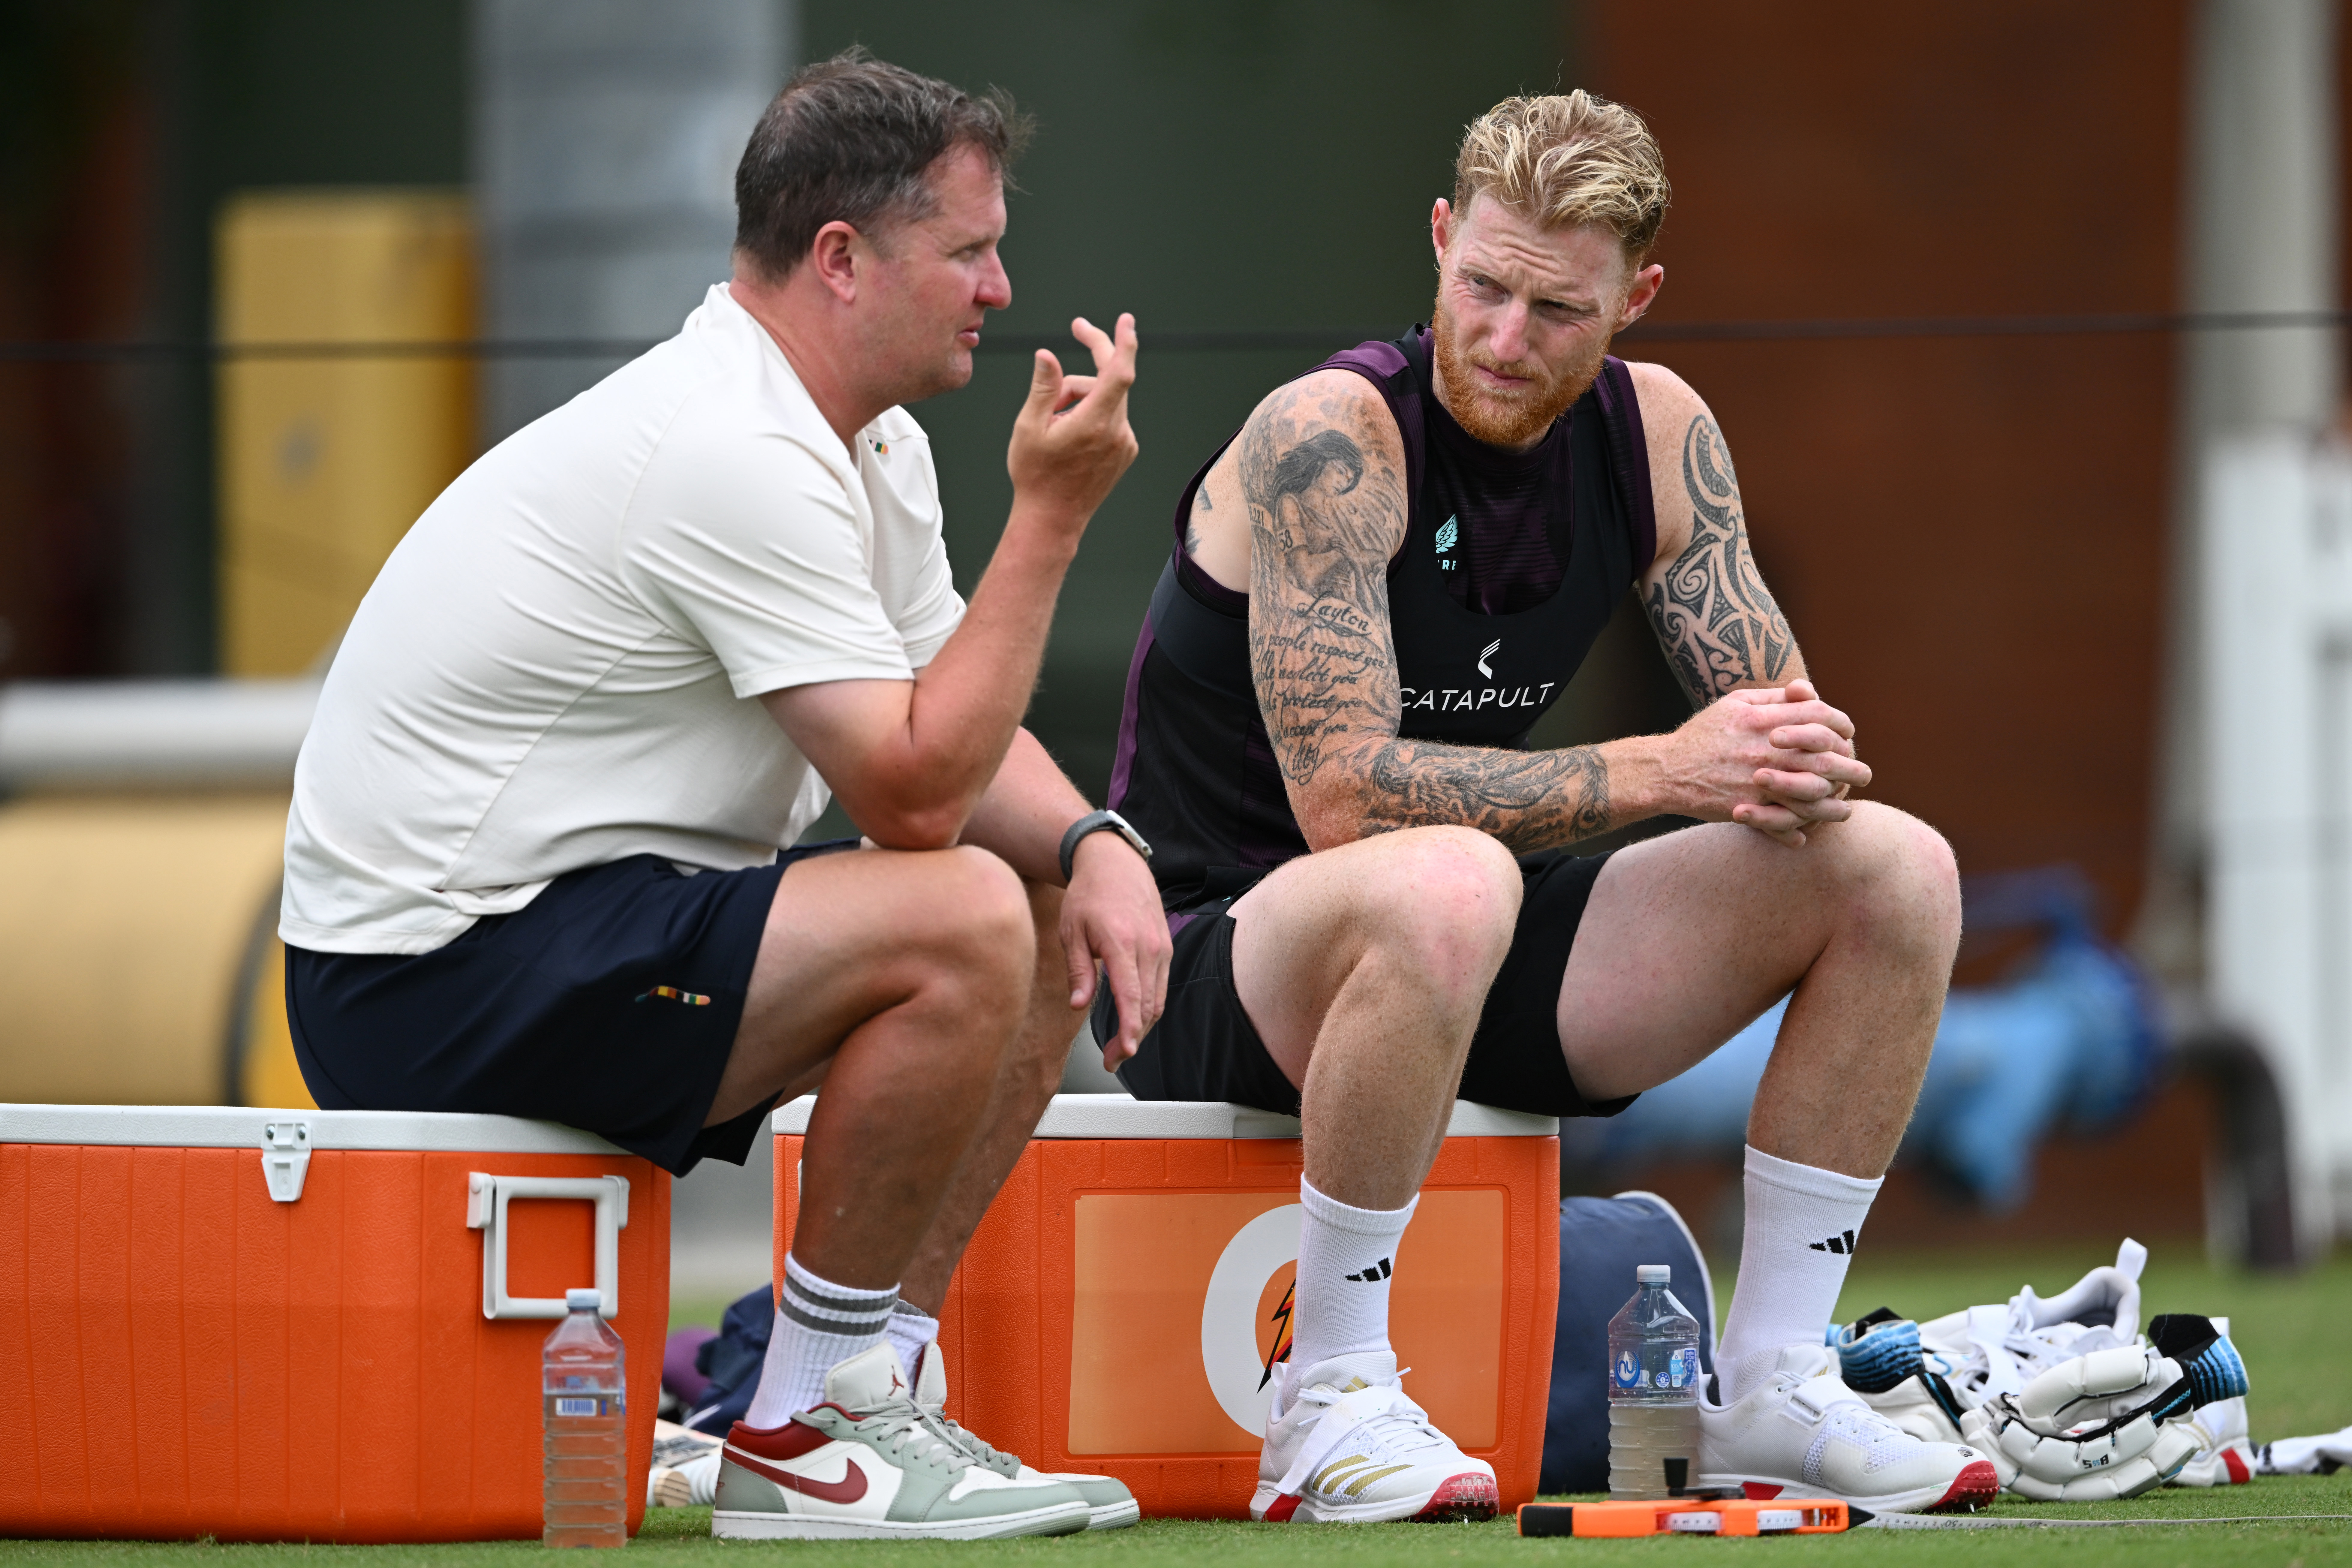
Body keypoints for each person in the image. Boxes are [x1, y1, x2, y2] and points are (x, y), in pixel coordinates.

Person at [278, 52, 1170, 1541]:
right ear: (841, 259)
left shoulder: (857, 434)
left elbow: (946, 688)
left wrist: (1093, 841)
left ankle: (858, 1379)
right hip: (420, 978)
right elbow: (908, 792)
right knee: (958, 907)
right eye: (967, 248)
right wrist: (1053, 520)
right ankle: (803, 1429)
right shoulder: (732, 444)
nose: (1001, 285)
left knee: (1026, 891)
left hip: (562, 927)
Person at [1090, 91, 1992, 1520]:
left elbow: (1780, 750)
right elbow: (1340, 804)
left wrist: (1780, 755)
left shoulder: (1659, 435)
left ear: (1635, 297)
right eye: (1483, 288)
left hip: (1462, 941)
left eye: (1558, 310)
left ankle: (1771, 1380)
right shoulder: (1329, 435)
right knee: (1445, 879)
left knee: (1894, 867)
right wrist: (1664, 767)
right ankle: (1325, 1397)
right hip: (1210, 957)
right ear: (1441, 240)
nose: (1506, 339)